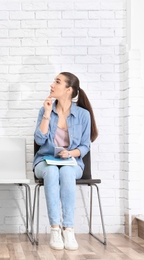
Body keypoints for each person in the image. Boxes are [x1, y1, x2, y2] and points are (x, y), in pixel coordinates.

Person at [33, 72, 98, 251]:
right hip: (45, 161)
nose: (52, 84)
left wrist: (70, 153)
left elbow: (85, 146)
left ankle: (68, 229)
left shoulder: (83, 115)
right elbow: (39, 141)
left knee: (67, 171)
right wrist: (47, 113)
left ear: (68, 90)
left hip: (71, 163)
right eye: (54, 80)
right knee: (53, 171)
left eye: (57, 82)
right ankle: (55, 229)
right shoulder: (45, 110)